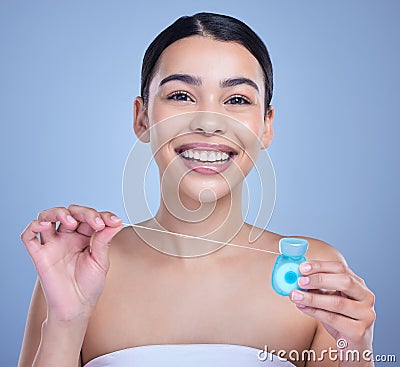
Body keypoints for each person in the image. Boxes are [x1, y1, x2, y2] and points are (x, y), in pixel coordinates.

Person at [18, 12, 376, 367]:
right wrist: (66, 321)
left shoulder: (314, 276)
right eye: (181, 95)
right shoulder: (77, 272)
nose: (208, 122)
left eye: (237, 100)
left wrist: (356, 354)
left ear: (266, 126)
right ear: (142, 119)